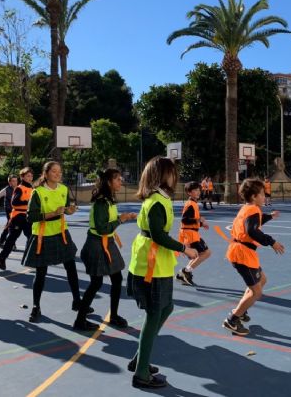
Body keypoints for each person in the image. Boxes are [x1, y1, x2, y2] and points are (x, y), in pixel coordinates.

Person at [126, 157, 198, 388]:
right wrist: (185, 249)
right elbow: (157, 235)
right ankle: (141, 374)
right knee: (154, 313)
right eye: (172, 172)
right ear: (163, 175)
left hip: (158, 264)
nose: (175, 175)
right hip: (151, 266)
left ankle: (140, 360)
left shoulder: (160, 198)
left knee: (166, 308)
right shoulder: (156, 201)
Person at [21, 161, 83, 324]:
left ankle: (77, 301)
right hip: (43, 235)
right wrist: (52, 214)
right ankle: (36, 306)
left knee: (71, 268)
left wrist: (69, 211)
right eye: (54, 171)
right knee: (41, 274)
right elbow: (30, 217)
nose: (58, 174)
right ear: (46, 173)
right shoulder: (38, 192)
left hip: (61, 233)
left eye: (60, 172)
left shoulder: (63, 189)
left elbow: (66, 208)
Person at [75, 168, 137, 330]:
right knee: (96, 283)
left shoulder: (108, 200)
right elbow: (102, 228)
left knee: (116, 280)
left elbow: (106, 223)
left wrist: (122, 217)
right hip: (97, 244)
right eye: (117, 179)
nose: (120, 182)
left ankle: (113, 315)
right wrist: (121, 220)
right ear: (109, 182)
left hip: (106, 242)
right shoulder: (102, 201)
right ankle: (80, 320)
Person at [222, 178, 285, 337]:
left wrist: (269, 216)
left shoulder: (248, 208)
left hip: (243, 252)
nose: (265, 197)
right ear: (254, 196)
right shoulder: (252, 210)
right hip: (243, 254)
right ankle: (232, 319)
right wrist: (272, 242)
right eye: (262, 194)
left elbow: (255, 222)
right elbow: (252, 230)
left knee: (262, 280)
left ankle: (240, 311)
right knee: (256, 292)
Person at [176, 181, 211, 286]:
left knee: (200, 254)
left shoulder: (193, 203)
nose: (198, 192)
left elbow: (190, 221)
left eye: (198, 190)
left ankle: (184, 273)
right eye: (195, 190)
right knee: (205, 253)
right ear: (189, 193)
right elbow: (185, 220)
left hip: (191, 233)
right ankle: (185, 272)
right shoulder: (191, 204)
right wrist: (199, 220)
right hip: (189, 234)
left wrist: (200, 224)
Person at [0, 167, 34, 271]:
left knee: (31, 238)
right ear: (22, 177)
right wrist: (28, 203)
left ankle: (26, 259)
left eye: (31, 176)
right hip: (18, 217)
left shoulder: (31, 188)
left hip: (27, 216)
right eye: (28, 176)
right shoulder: (19, 188)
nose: (30, 178)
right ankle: (2, 257)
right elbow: (14, 202)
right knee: (12, 239)